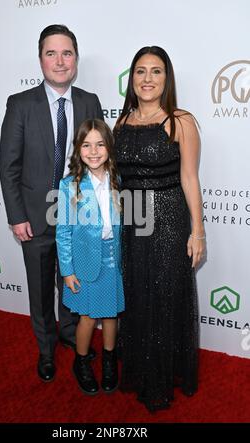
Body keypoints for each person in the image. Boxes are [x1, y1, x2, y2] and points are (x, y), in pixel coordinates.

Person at [0, 24, 103, 383]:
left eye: (67, 53)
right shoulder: (21, 104)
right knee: (41, 288)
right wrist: (16, 216)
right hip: (34, 218)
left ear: (75, 59)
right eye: (51, 53)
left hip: (78, 218)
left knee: (74, 283)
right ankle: (45, 350)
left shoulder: (90, 101)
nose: (60, 61)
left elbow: (99, 161)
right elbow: (9, 166)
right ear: (40, 58)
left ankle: (72, 336)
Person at [114, 46, 205, 412]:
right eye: (140, 71)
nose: (147, 79)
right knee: (138, 295)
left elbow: (190, 179)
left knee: (165, 299)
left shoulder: (180, 121)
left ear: (166, 79)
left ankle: (163, 377)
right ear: (131, 79)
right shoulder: (120, 124)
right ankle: (140, 368)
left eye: (155, 71)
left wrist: (197, 231)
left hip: (169, 220)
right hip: (133, 221)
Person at [56, 119, 124, 395]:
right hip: (84, 263)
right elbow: (63, 233)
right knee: (86, 318)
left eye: (100, 144)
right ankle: (81, 362)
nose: (94, 151)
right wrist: (67, 270)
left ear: (109, 147)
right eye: (87, 145)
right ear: (78, 149)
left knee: (110, 316)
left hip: (113, 260)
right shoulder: (68, 185)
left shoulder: (118, 180)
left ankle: (109, 361)